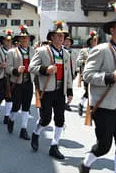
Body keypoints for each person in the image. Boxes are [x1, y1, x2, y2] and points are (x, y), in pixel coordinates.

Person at [79, 1, 116, 173]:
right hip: (104, 106)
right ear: (112, 30)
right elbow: (87, 75)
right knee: (104, 146)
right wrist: (109, 77)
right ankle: (86, 163)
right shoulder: (101, 49)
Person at [29, 21, 73, 159]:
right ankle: (36, 133)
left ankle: (54, 146)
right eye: (57, 35)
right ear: (51, 37)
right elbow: (31, 68)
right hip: (46, 90)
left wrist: (70, 91)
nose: (61, 38)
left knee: (60, 119)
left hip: (60, 91)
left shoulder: (66, 54)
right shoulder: (42, 51)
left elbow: (68, 74)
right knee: (46, 119)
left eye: (62, 36)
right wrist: (45, 69)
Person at [6, 25, 35, 140]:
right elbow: (8, 68)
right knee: (16, 106)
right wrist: (16, 70)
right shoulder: (12, 52)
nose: (24, 40)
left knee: (26, 107)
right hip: (17, 82)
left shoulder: (33, 51)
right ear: (18, 40)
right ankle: (11, 118)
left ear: (29, 40)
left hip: (29, 82)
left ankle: (23, 129)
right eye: (22, 38)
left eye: (26, 38)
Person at [77, 31, 99, 116]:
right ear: (89, 41)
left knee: (95, 92)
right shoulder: (84, 51)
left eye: (96, 40)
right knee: (88, 91)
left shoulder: (99, 51)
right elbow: (78, 61)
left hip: (97, 75)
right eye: (93, 40)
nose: (94, 42)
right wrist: (85, 61)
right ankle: (82, 104)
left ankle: (91, 108)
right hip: (87, 74)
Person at [63, 35, 77, 111]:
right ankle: (63, 103)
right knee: (64, 89)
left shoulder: (73, 52)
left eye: (69, 41)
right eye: (66, 41)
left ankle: (67, 103)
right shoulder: (62, 51)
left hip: (71, 73)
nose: (67, 43)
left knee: (70, 88)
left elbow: (75, 63)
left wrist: (75, 71)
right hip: (65, 73)